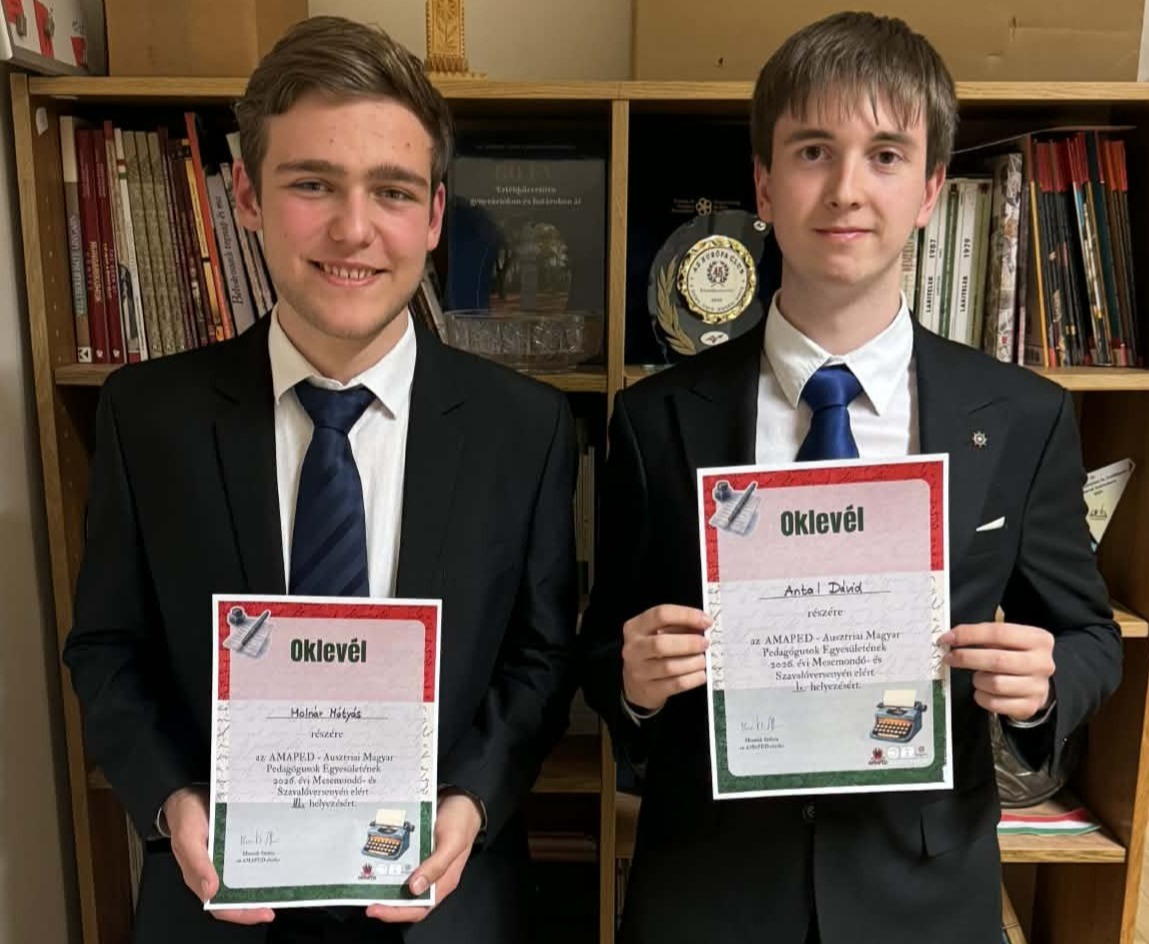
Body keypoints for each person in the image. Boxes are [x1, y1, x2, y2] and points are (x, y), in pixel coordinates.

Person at [578, 12, 1122, 944]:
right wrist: (631, 679)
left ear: (929, 190)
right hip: (708, 889)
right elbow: (600, 650)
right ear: (763, 183)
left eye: (884, 155)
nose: (845, 190)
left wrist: (1043, 684)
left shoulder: (1020, 417)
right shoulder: (653, 418)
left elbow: (1089, 637)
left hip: (922, 893)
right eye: (812, 152)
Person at [63, 16, 578, 944]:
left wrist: (473, 800)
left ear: (432, 216)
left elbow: (539, 658)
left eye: (391, 191)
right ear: (246, 196)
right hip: (216, 902)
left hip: (447, 903)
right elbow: (107, 648)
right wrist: (171, 800)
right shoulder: (148, 416)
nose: (353, 229)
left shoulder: (525, 429)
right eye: (311, 184)